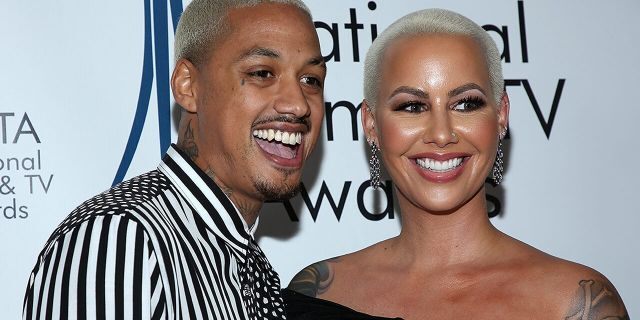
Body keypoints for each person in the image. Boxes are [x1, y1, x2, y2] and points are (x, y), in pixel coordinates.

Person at [284, 8, 628, 320]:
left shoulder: (575, 302)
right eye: (412, 106)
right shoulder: (313, 295)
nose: (442, 134)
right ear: (371, 125)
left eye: (465, 104)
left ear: (501, 115)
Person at [23, 0, 326, 319]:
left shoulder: (251, 265)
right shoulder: (122, 239)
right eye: (262, 73)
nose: (298, 104)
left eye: (311, 80)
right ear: (187, 85)